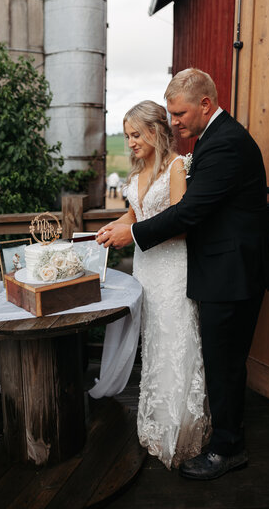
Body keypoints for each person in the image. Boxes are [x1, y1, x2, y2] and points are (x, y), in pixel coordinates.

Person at [97, 68, 269, 480]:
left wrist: (135, 233)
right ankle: (225, 436)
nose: (174, 121)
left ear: (205, 104)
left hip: (233, 273)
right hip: (223, 268)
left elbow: (191, 211)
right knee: (220, 360)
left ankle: (228, 449)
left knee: (224, 362)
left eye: (179, 113)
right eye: (171, 114)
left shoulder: (225, 144)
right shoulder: (216, 139)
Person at [100, 100, 210, 469]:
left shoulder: (176, 166)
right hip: (146, 269)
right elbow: (137, 211)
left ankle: (180, 431)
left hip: (173, 269)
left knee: (176, 345)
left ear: (155, 131)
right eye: (127, 135)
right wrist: (114, 225)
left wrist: (129, 233)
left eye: (135, 135)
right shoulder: (136, 172)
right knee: (154, 345)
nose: (129, 142)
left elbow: (180, 223)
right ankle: (155, 423)